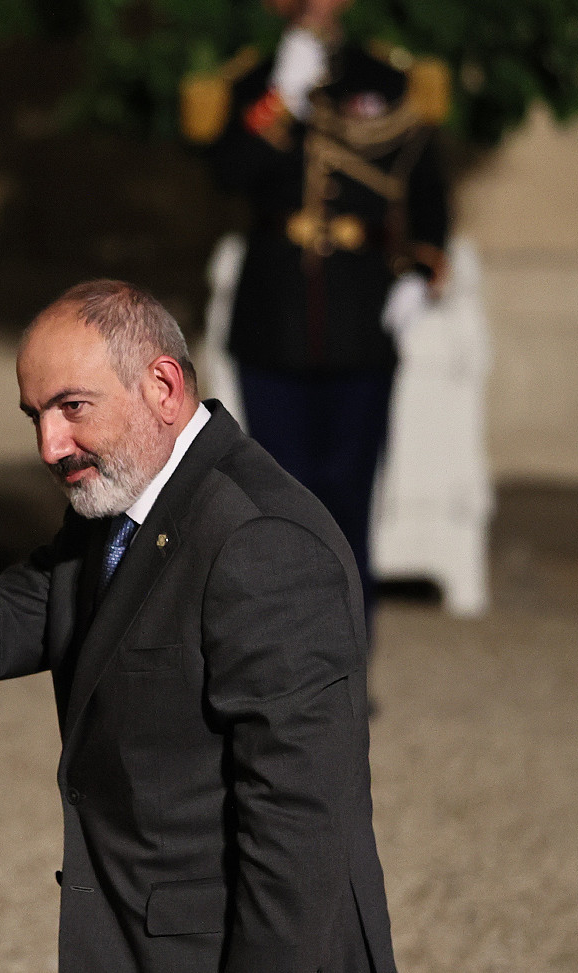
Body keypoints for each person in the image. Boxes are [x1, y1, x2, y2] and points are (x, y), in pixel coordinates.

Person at [0, 280, 396, 971]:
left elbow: (301, 827)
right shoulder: (119, 507)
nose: (49, 443)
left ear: (162, 385)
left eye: (72, 406)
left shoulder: (262, 539)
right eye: (34, 414)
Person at [182, 0, 451, 632]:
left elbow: (428, 194)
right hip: (274, 317)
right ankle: (283, 659)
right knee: (276, 501)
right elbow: (229, 175)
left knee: (349, 495)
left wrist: (417, 277)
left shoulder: (388, 80)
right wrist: (281, 95)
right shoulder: (251, 83)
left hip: (362, 318)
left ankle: (348, 663)